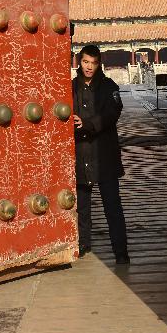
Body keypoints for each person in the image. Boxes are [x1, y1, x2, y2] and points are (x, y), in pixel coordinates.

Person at [71, 45, 130, 265]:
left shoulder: (109, 87)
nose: (89, 67)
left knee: (112, 206)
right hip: (80, 154)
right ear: (80, 61)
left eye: (94, 63)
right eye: (86, 62)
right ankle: (83, 244)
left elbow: (112, 114)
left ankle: (121, 251)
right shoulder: (70, 87)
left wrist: (87, 123)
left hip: (104, 155)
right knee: (82, 206)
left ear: (99, 64)